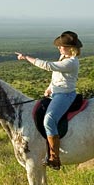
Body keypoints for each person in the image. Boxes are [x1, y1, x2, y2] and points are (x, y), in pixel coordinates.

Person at [16, 31, 82, 170]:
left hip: (65, 96)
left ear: (71, 48)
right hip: (56, 94)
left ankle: (54, 157)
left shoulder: (71, 62)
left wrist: (27, 58)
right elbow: (57, 77)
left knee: (49, 120)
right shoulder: (63, 58)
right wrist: (50, 88)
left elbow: (48, 66)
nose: (59, 48)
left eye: (62, 46)